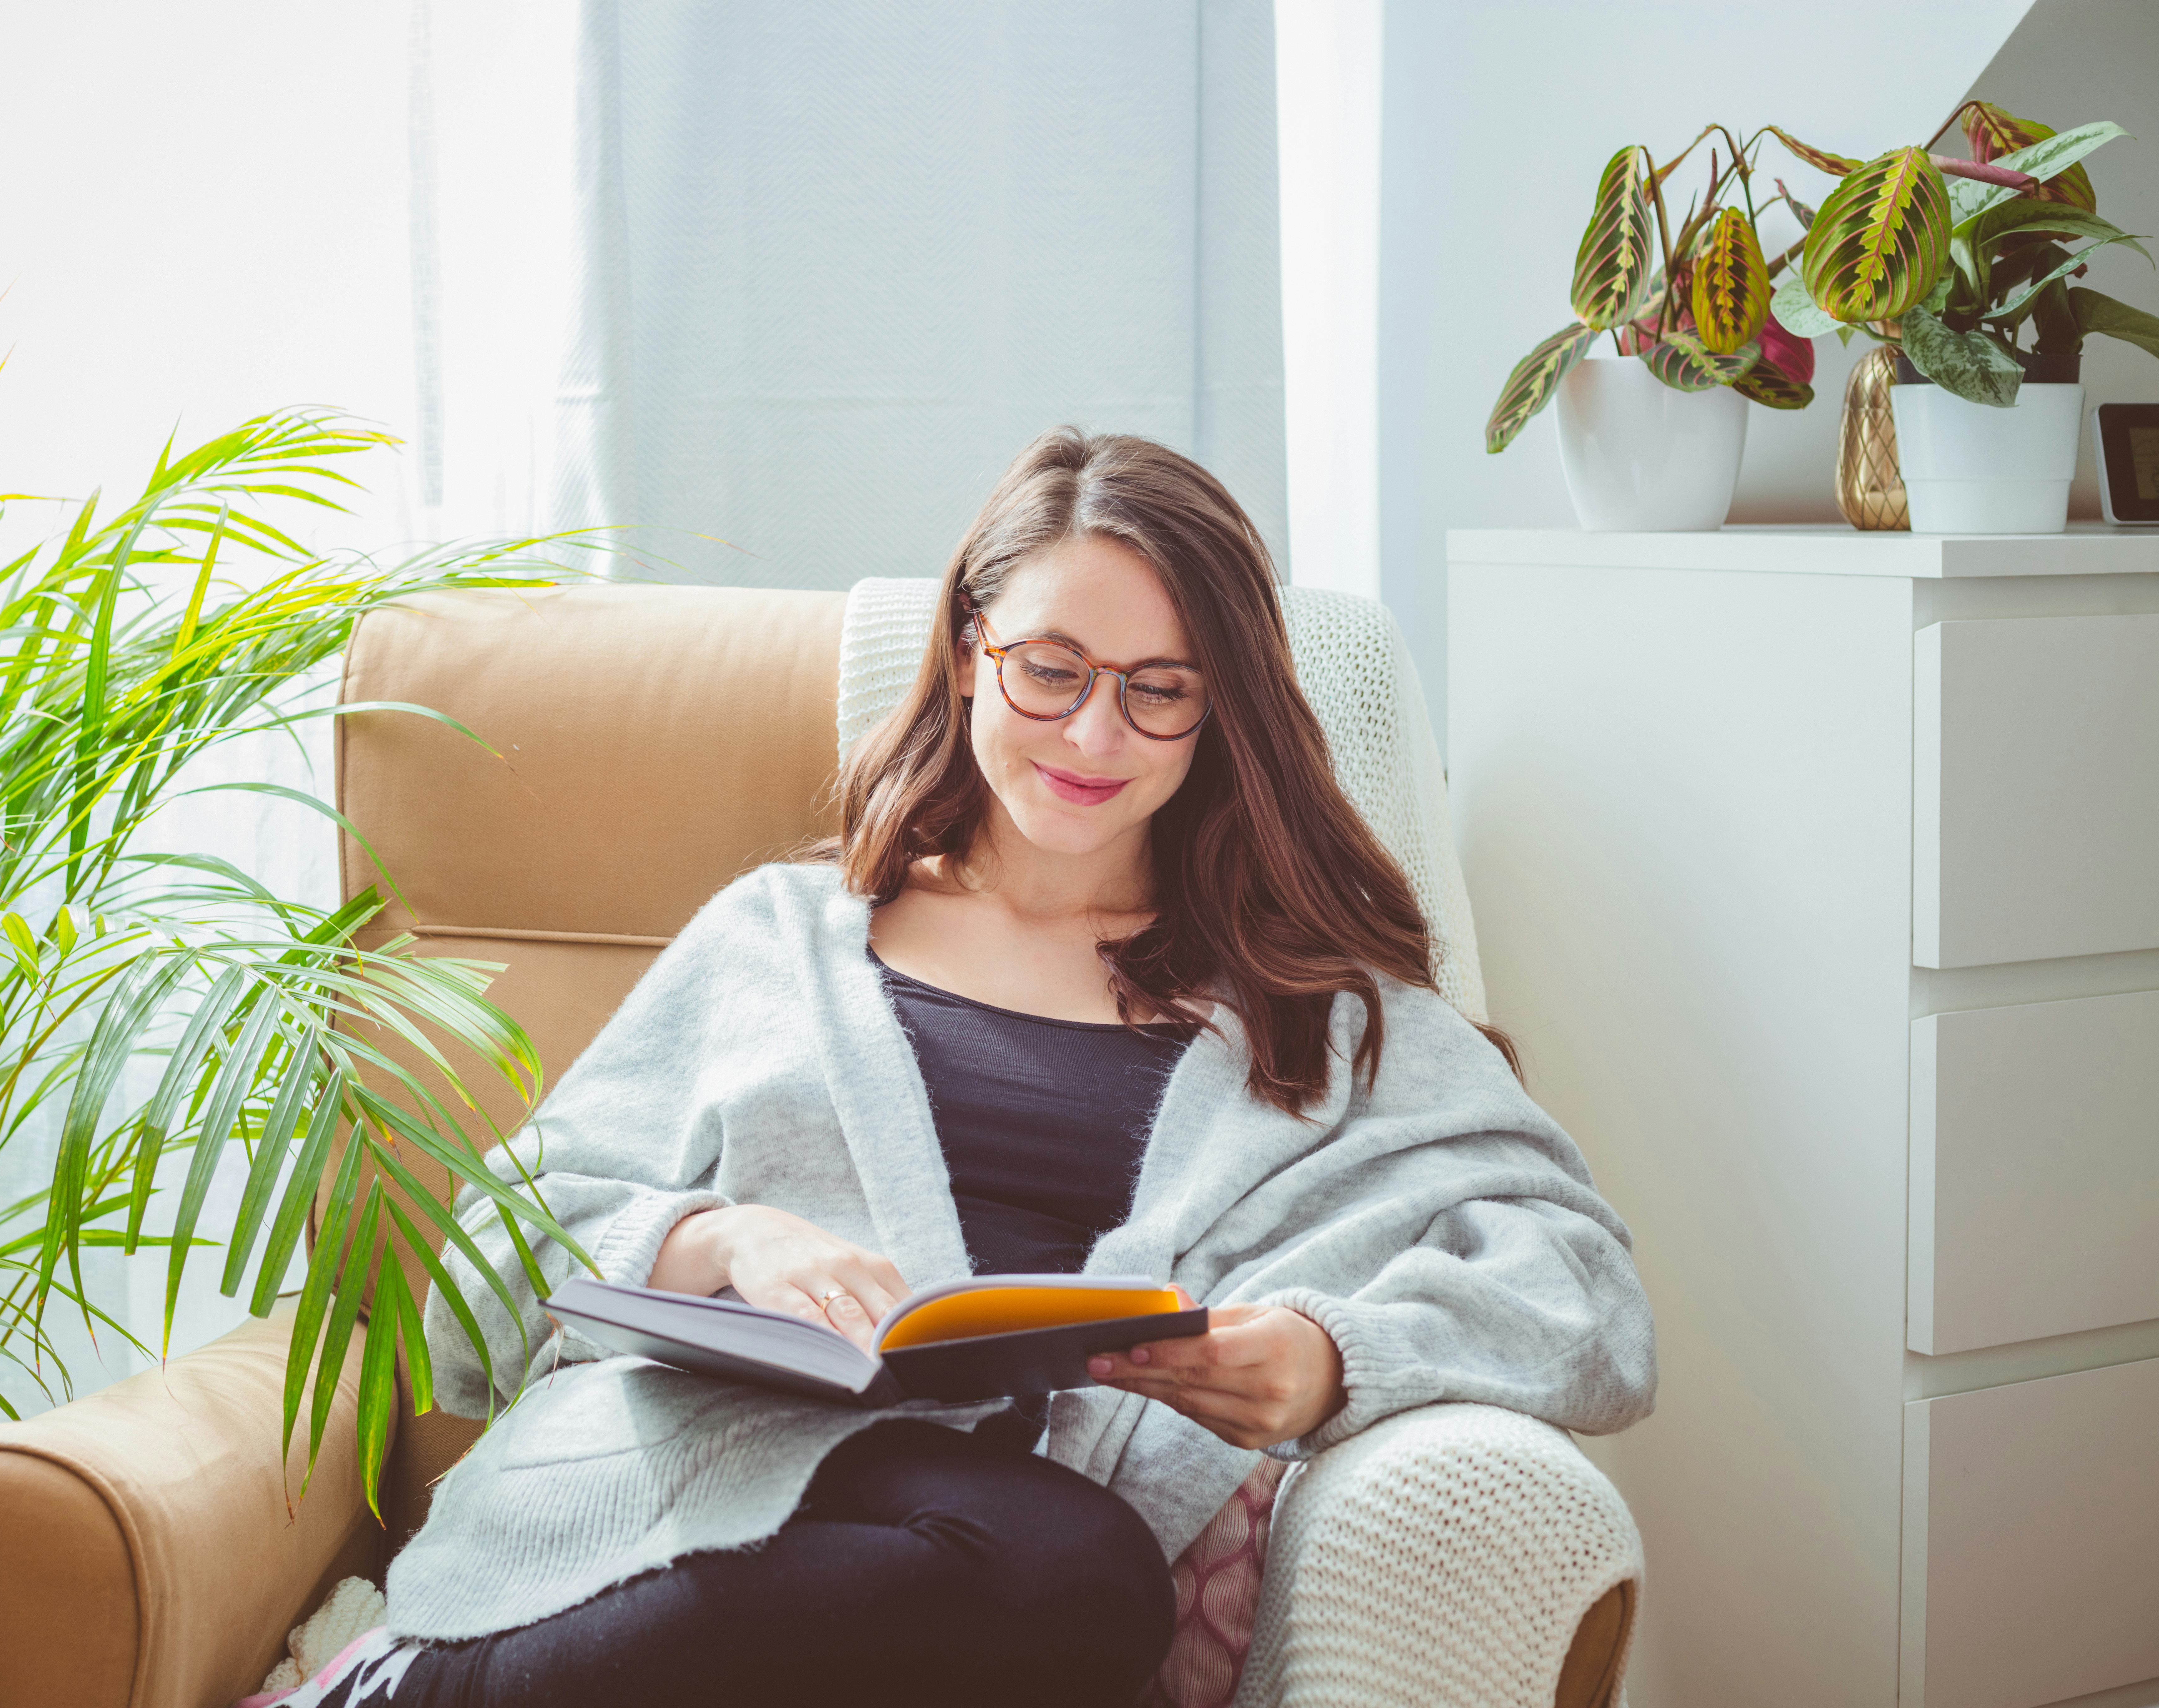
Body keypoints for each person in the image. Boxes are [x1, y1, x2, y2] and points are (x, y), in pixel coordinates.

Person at [335, 428, 1655, 1708]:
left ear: (1216, 710)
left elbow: (1585, 1293)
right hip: (710, 1481)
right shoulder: (775, 940)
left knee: (1069, 1573)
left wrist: (1334, 1357)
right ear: (969, 653)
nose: (1093, 736)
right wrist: (719, 1239)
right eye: (1051, 670)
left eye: (1158, 687)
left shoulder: (1325, 1015)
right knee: (1067, 1576)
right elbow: (475, 1280)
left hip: (1024, 1557)